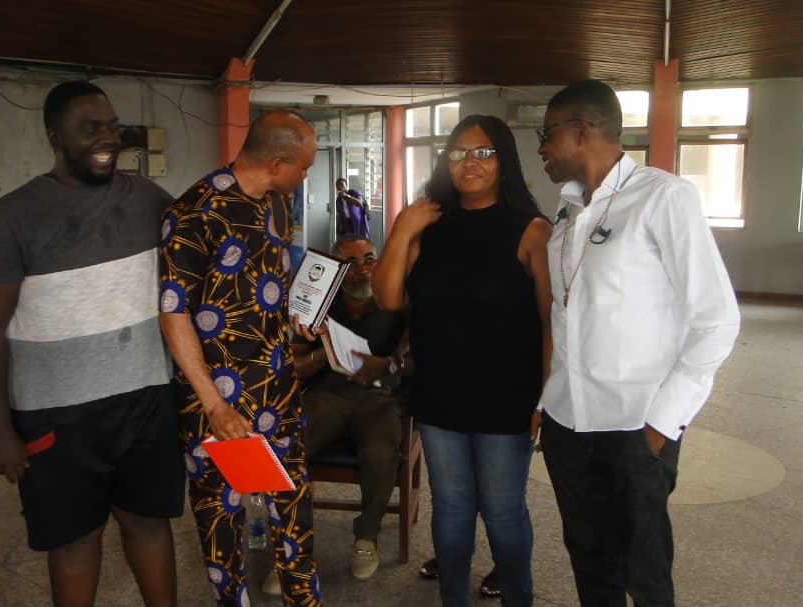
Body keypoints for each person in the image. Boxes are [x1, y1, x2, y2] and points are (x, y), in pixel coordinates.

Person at [0, 81, 184, 607]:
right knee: (74, 542)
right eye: (89, 129)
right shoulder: (12, 216)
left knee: (150, 525)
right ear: (55, 137)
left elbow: (198, 256)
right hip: (55, 416)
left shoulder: (148, 199)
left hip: (146, 400)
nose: (106, 138)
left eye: (111, 127)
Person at [533, 79, 740, 607]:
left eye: (547, 134)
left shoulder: (664, 197)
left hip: (634, 424)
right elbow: (565, 314)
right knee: (589, 561)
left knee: (644, 572)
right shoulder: (568, 209)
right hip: (567, 422)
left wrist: (662, 423)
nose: (541, 148)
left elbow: (717, 319)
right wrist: (546, 402)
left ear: (582, 131)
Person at [373, 114, 552, 607]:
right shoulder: (427, 224)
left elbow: (550, 324)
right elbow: (388, 298)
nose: (469, 163)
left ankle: (518, 599)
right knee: (451, 507)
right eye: (458, 153)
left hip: (507, 398)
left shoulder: (532, 231)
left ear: (504, 161)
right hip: (440, 393)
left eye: (483, 152)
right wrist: (402, 228)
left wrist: (546, 397)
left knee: (502, 510)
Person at [158, 110, 323, 607]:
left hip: (278, 388)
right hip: (217, 404)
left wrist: (296, 316)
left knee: (293, 515)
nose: (306, 176)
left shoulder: (279, 203)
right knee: (221, 524)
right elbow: (173, 313)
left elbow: (263, 285)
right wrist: (214, 405)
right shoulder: (194, 213)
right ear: (277, 163)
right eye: (303, 167)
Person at [295, 235, 407, 582]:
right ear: (335, 269)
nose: (362, 269)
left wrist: (386, 366)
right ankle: (292, 543)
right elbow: (294, 368)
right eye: (351, 262)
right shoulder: (317, 304)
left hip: (378, 397)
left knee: (379, 452)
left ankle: (366, 537)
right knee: (289, 445)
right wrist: (323, 351)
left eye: (369, 259)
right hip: (327, 394)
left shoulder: (396, 301)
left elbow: (413, 361)